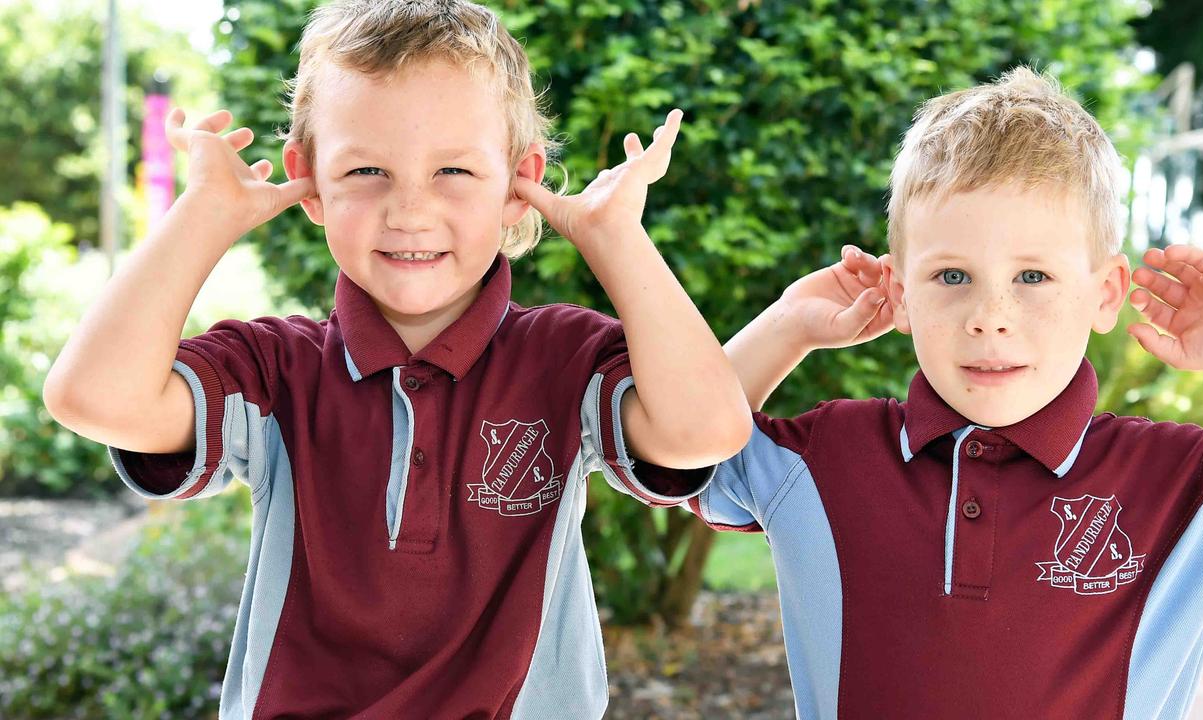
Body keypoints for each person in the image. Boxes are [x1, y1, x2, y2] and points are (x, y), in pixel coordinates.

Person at [42, 1, 751, 717]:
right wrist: (202, 216)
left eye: (452, 170)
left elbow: (709, 430)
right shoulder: (271, 371)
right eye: (368, 169)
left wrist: (615, 239)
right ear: (309, 180)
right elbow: (93, 398)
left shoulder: (565, 360)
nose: (409, 210)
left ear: (518, 182)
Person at [620, 67, 1203, 718]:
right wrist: (788, 326)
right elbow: (677, 444)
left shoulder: (1187, 486)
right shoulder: (823, 463)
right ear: (902, 294)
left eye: (1032, 276)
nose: (989, 315)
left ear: (1105, 292)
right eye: (953, 275)